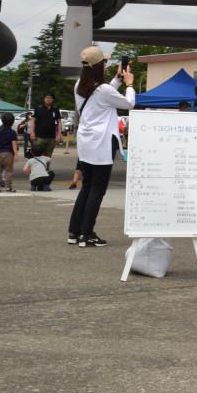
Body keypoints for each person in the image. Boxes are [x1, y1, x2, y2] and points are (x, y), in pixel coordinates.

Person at [69, 48, 135, 248]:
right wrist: (129, 84)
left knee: (87, 187)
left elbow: (102, 94)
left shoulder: (80, 84)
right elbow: (128, 103)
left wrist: (117, 79)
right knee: (97, 190)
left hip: (86, 143)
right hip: (102, 143)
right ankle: (87, 234)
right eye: (104, 63)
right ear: (99, 66)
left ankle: (75, 231)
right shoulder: (103, 90)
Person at [30, 94, 61, 164]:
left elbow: (59, 122)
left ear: (53, 100)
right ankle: (37, 171)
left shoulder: (55, 110)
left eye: (50, 98)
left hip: (51, 138)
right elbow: (33, 120)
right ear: (44, 99)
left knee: (48, 157)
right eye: (47, 98)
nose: (48, 99)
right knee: (38, 156)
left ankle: (45, 172)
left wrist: (59, 135)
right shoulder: (38, 109)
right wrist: (32, 132)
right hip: (39, 137)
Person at [0, 113, 18, 193]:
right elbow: (14, 144)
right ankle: (8, 187)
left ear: (2, 121)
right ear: (12, 122)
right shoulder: (13, 132)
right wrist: (16, 154)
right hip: (9, 153)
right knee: (9, 171)